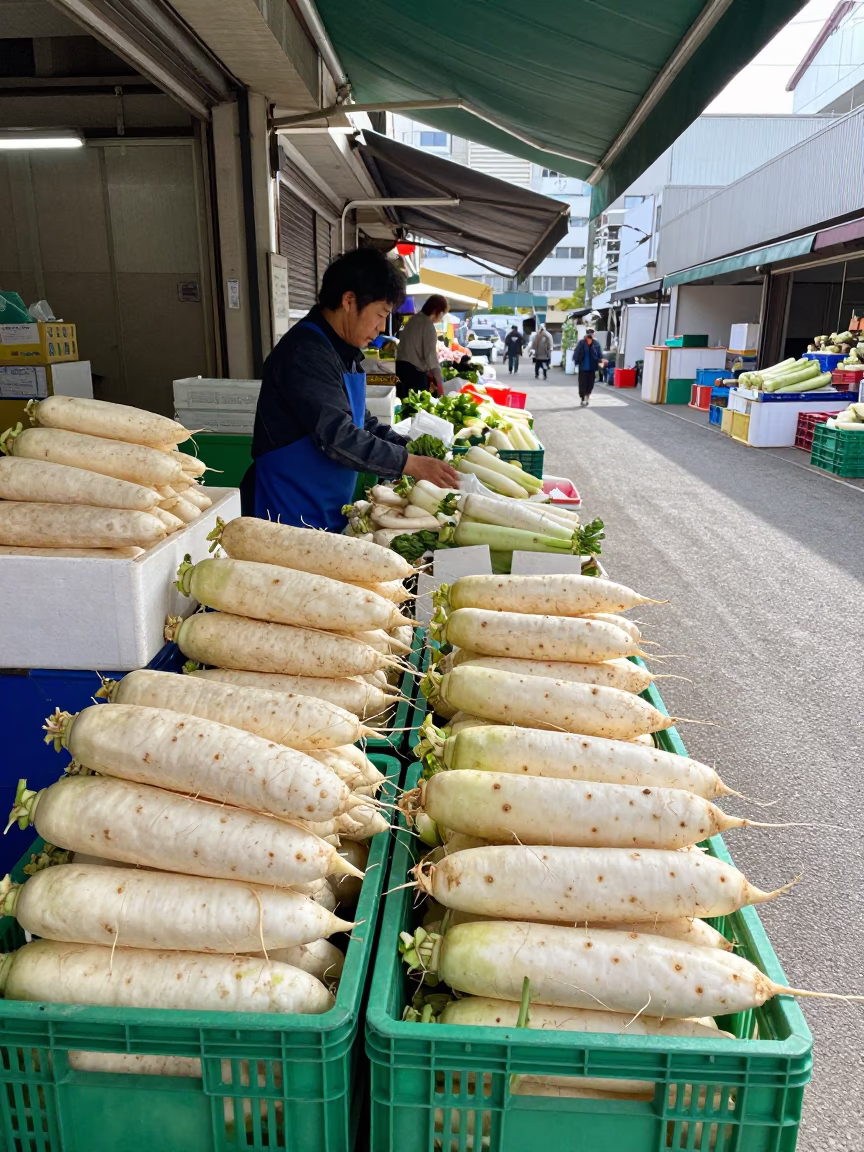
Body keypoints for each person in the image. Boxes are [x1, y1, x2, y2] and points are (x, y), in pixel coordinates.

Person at [242, 248, 459, 530]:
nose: (382, 328)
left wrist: (409, 448)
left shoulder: (344, 351)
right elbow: (337, 436)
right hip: (287, 512)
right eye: (381, 314)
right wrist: (410, 463)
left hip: (323, 507)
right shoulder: (306, 354)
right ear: (348, 300)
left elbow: (362, 422)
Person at [394, 293, 448, 400]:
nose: (441, 317)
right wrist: (439, 383)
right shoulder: (428, 325)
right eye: (442, 314)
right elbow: (430, 357)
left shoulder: (414, 319)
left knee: (405, 403)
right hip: (414, 374)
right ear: (435, 311)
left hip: (400, 368)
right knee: (418, 407)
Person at [572, 328, 606, 406]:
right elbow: (576, 354)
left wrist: (600, 360)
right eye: (589, 333)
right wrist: (577, 361)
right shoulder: (581, 343)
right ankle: (583, 398)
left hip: (592, 368)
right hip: (583, 368)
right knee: (582, 384)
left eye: (592, 333)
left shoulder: (596, 343)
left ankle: (587, 397)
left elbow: (599, 355)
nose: (590, 334)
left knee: (590, 384)